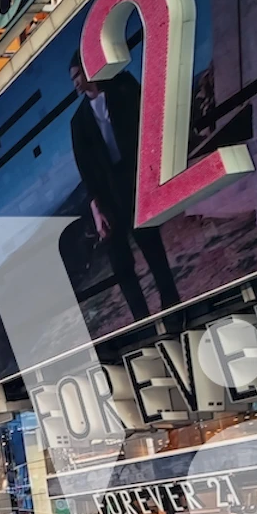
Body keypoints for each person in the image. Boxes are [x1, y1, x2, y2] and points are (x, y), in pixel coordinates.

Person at [68, 53, 181, 322]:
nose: (75, 83)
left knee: (152, 248)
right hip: (108, 196)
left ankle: (174, 310)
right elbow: (86, 171)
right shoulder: (78, 122)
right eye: (72, 79)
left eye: (77, 75)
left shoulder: (123, 85)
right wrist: (96, 209)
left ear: (88, 69)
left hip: (135, 182)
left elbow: (151, 118)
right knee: (121, 264)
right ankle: (142, 322)